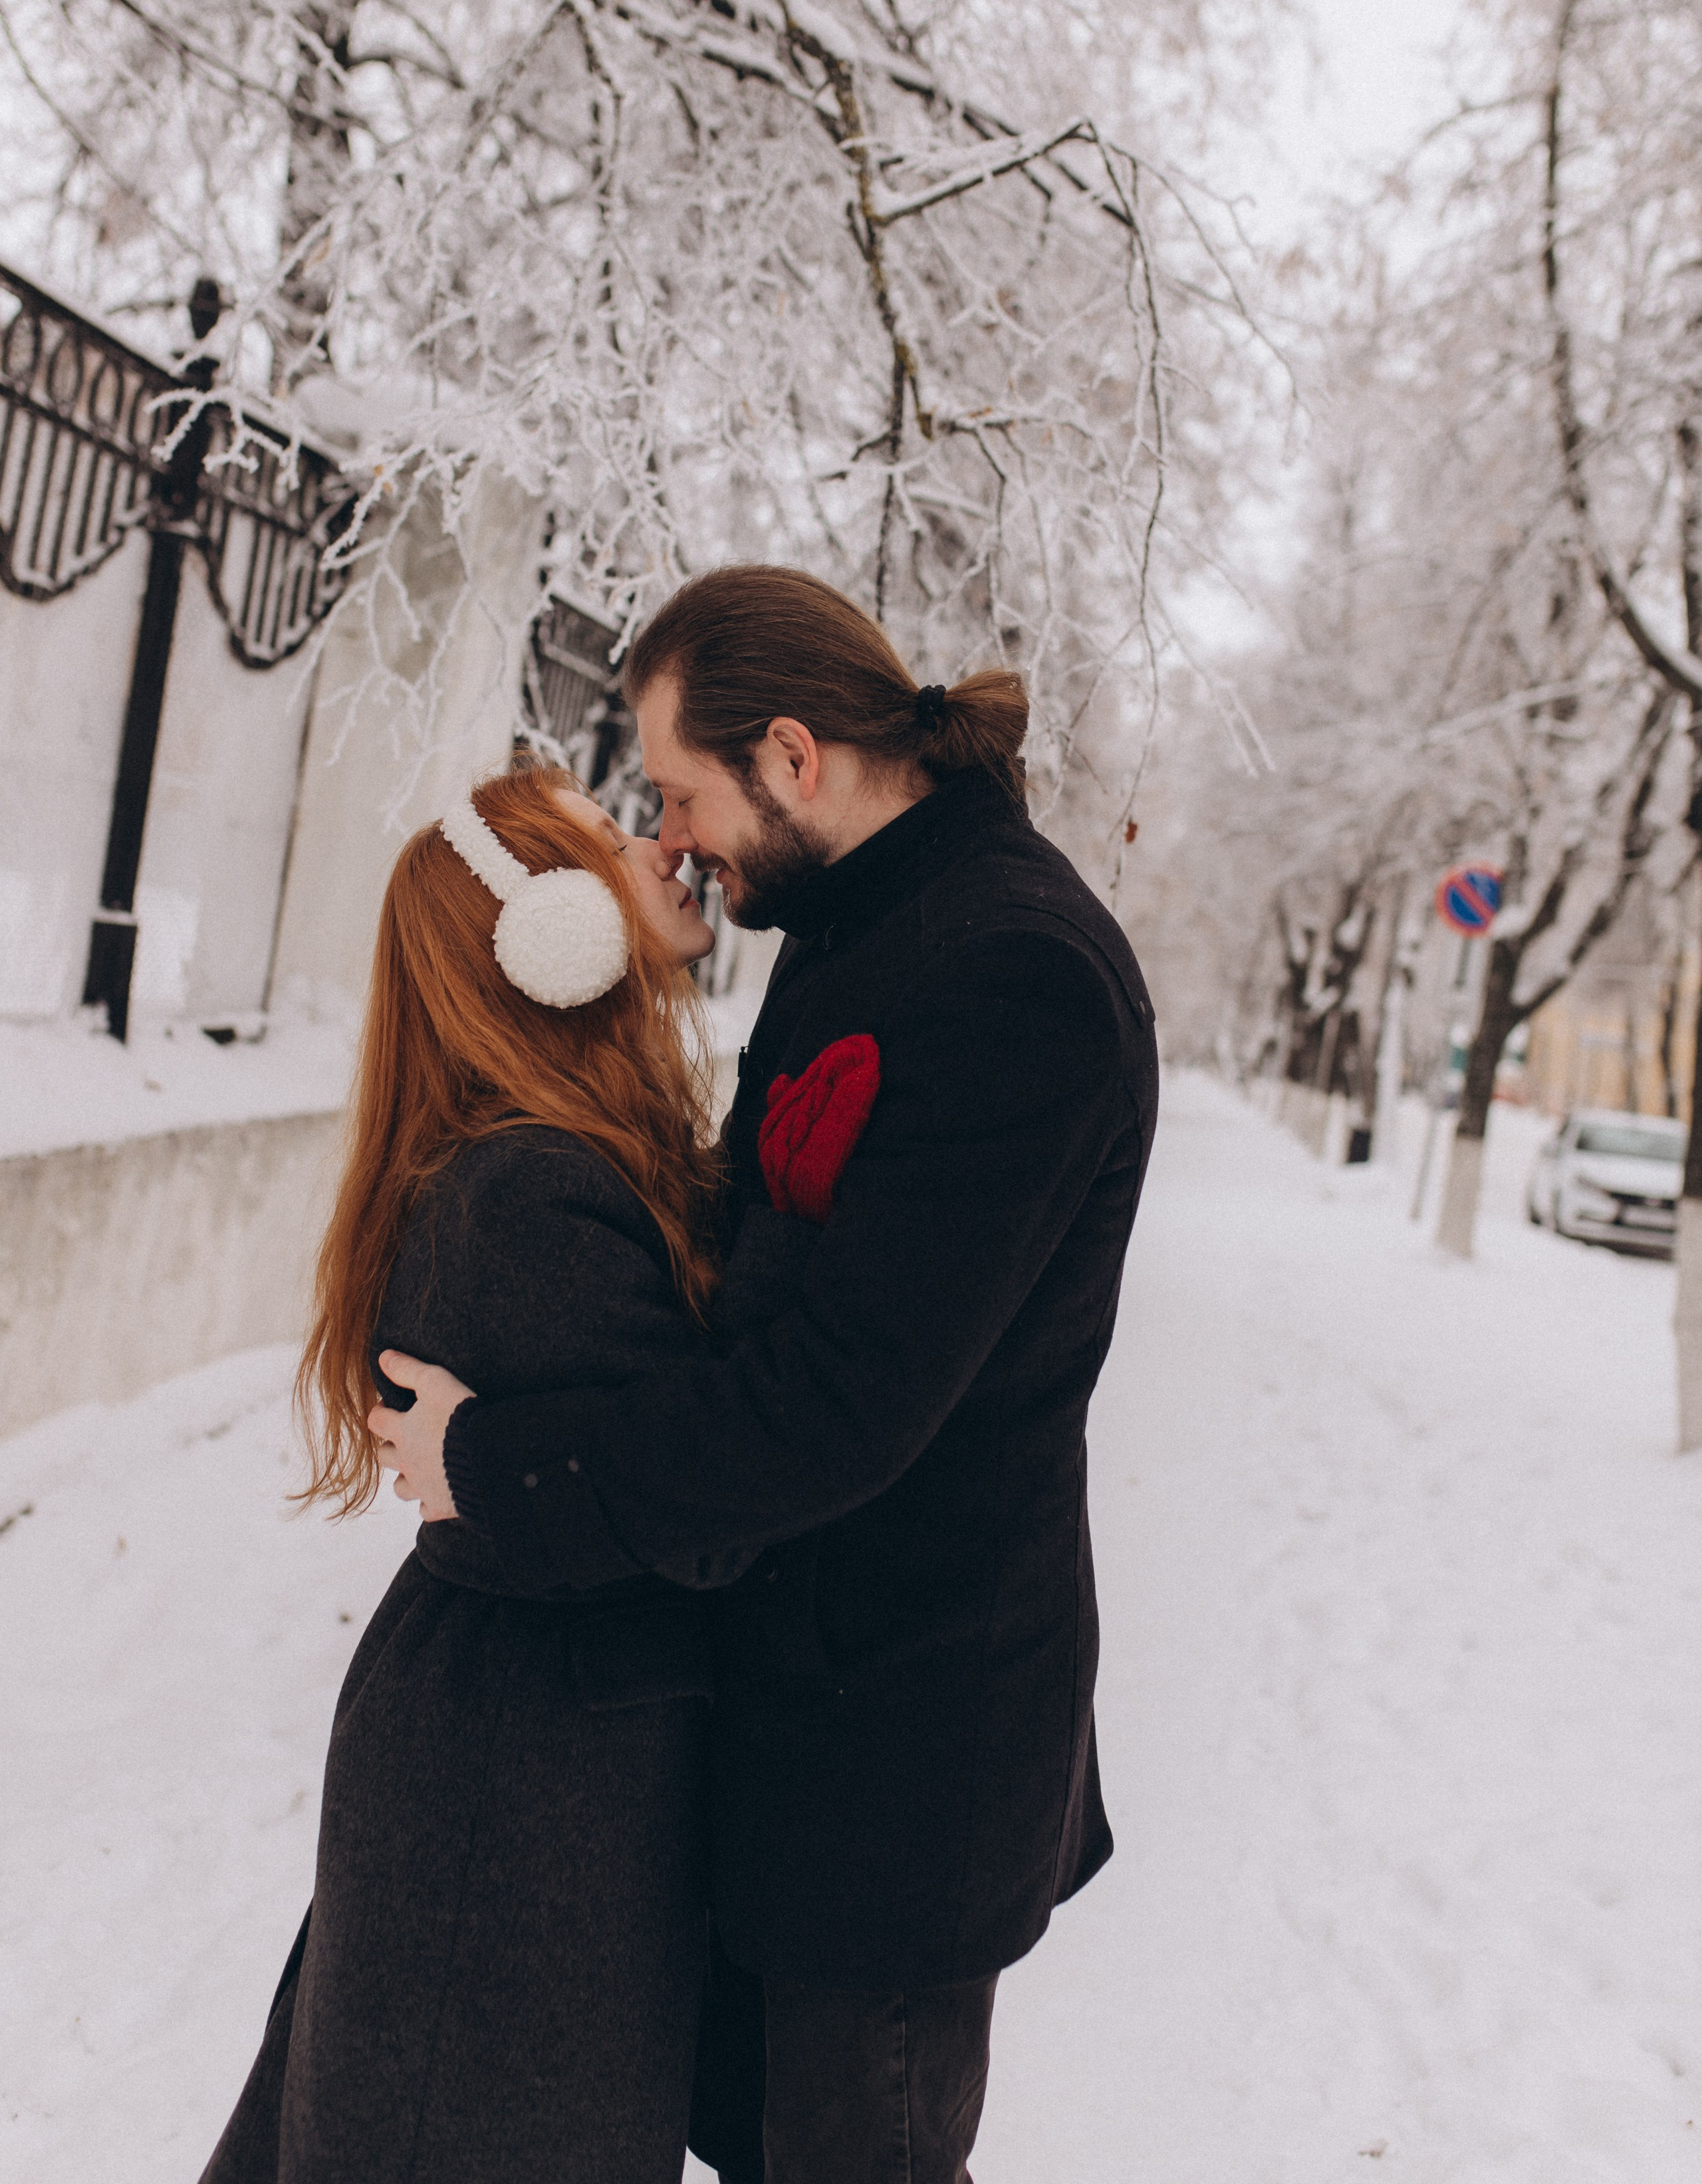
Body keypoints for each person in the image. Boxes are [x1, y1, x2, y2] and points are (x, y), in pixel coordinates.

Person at [374, 566, 1161, 2184]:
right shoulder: (858, 925)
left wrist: (497, 1470)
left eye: (676, 791)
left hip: (896, 1773)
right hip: (788, 1734)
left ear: (792, 757)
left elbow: (833, 1404)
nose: (669, 840)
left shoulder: (1014, 973)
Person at [199, 761, 850, 2184]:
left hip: (545, 1764)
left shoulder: (572, 1158)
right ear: (547, 929)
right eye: (618, 839)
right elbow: (699, 1510)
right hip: (522, 1793)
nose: (661, 849)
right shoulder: (525, 1194)